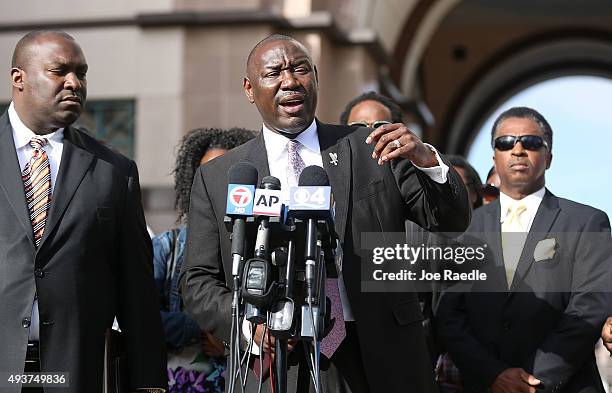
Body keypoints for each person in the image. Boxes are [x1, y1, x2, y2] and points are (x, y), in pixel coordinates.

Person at [179, 34, 470, 393]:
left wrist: (428, 162)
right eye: (274, 73)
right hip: (278, 365)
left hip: (379, 356)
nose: (290, 81)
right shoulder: (221, 176)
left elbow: (451, 221)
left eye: (301, 69)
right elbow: (198, 281)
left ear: (315, 77)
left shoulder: (371, 148)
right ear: (249, 89)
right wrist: (248, 326)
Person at [0, 30, 167, 393]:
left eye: (82, 73)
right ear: (19, 79)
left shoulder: (114, 170)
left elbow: (136, 292)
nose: (74, 83)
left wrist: (149, 385)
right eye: (59, 71)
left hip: (78, 371)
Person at [437, 107, 612, 393]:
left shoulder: (587, 222)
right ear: (494, 156)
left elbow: (590, 307)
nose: (517, 150)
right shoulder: (464, 228)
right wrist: (494, 375)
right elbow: (449, 315)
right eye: (506, 143)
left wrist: (535, 378)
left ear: (549, 157)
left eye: (530, 142)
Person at [153, 127, 255, 393]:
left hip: (245, 378)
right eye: (207, 174)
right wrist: (199, 328)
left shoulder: (261, 245)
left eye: (225, 172)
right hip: (183, 381)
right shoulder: (168, 246)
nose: (215, 182)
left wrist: (232, 336)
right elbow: (140, 317)